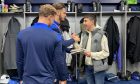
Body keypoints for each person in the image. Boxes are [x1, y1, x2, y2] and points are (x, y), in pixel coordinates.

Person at [16, 4, 67, 84]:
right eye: (53, 18)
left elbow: (19, 60)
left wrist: (21, 78)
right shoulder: (56, 36)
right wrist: (62, 78)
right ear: (50, 17)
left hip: (28, 80)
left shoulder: (22, 34)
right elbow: (58, 61)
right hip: (47, 80)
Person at [78, 14, 109, 84]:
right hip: (87, 66)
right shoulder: (84, 34)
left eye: (85, 21)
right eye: (83, 21)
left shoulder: (102, 35)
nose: (84, 23)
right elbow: (81, 49)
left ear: (92, 21)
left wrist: (91, 54)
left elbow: (106, 53)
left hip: (98, 67)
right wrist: (75, 42)